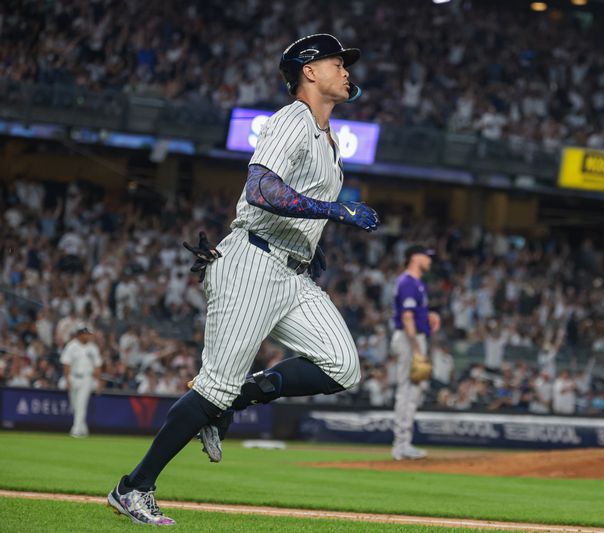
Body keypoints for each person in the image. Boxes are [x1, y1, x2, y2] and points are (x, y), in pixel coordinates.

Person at [108, 33, 379, 526]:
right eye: (336, 62)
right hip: (253, 262)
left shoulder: (326, 136)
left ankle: (235, 397)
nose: (345, 70)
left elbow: (295, 207)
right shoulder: (292, 120)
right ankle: (133, 487)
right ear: (309, 71)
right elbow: (260, 189)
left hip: (291, 270)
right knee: (211, 387)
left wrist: (310, 244)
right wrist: (335, 209)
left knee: (342, 367)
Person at [391, 245, 440, 460]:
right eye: (426, 256)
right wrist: (417, 349)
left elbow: (414, 314)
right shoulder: (408, 282)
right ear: (414, 257)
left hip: (413, 337)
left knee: (414, 392)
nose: (429, 260)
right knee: (407, 392)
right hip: (408, 339)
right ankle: (400, 445)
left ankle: (404, 443)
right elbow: (407, 318)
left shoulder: (416, 283)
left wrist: (429, 315)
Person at [60, 326, 102, 438]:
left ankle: (76, 430)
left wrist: (98, 382)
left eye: (89, 334)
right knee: (75, 406)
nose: (88, 336)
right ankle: (83, 429)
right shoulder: (71, 346)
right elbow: (66, 363)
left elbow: (97, 366)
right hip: (73, 377)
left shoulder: (93, 348)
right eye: (86, 334)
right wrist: (67, 379)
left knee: (81, 404)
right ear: (79, 334)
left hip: (87, 379)